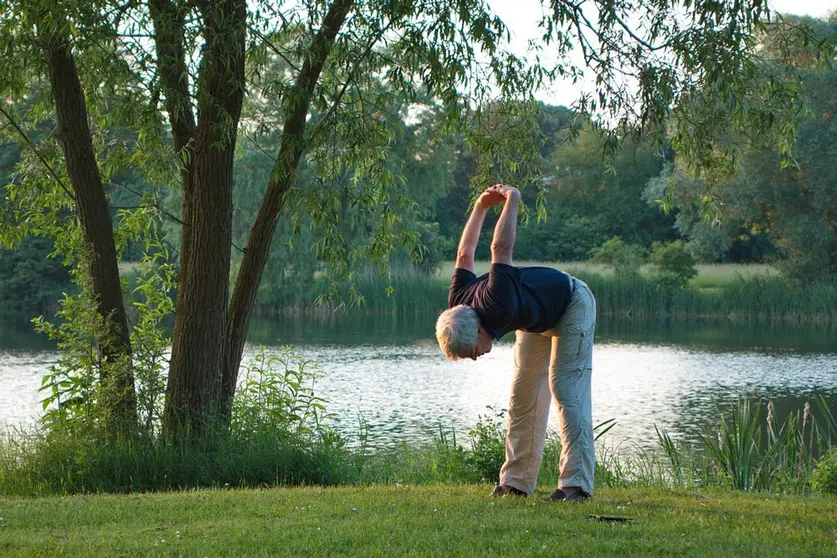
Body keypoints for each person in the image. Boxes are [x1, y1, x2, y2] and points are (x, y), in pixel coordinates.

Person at [435, 184, 597, 502]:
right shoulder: (458, 303)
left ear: (479, 331)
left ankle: (576, 485)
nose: (476, 358)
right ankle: (516, 481)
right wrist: (480, 206)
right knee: (522, 396)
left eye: (472, 353)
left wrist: (513, 200)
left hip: (572, 303)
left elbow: (500, 248)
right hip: (535, 318)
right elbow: (464, 254)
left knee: (566, 389)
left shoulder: (497, 303)